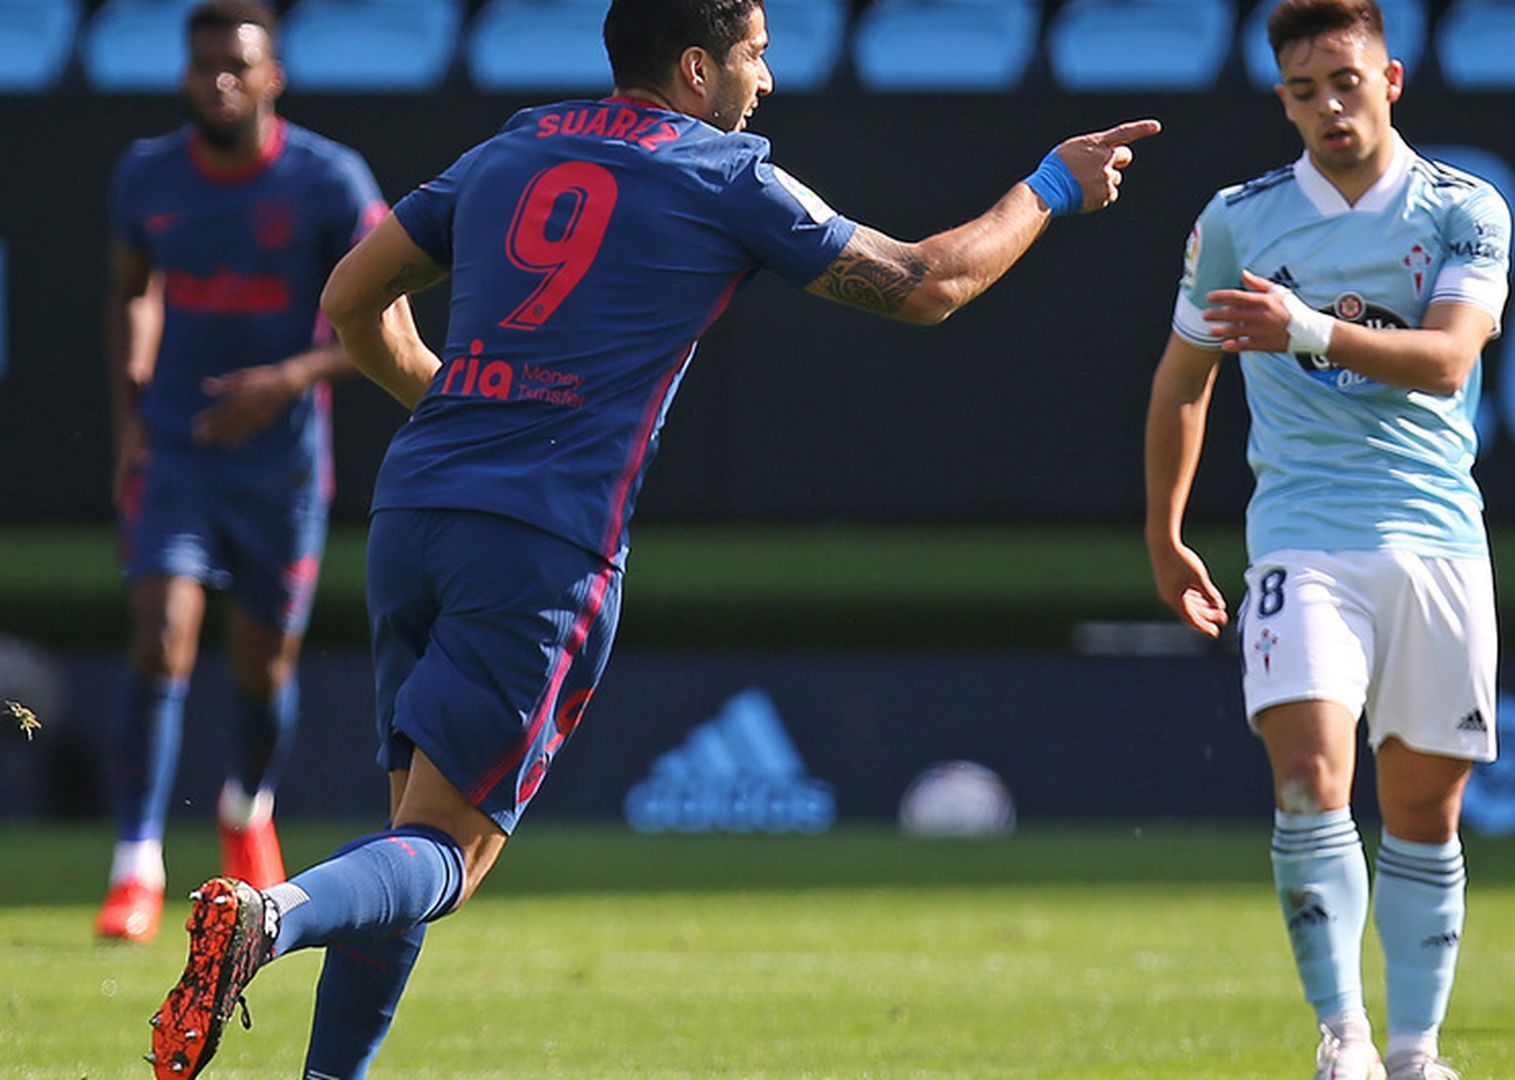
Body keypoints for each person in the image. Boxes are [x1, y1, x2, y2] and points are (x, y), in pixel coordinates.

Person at [144, 0, 1157, 1075]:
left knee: (411, 831)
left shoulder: (516, 144)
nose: (765, 82)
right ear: (694, 66)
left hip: (416, 508)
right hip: (543, 538)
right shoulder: (723, 174)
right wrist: (1051, 186)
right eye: (755, 57)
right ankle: (269, 919)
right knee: (446, 850)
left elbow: (352, 295)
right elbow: (928, 284)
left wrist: (450, 397)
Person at [1143, 1, 1511, 1077]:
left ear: (1390, 79)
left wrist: (1305, 328)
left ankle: (1415, 1050)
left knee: (1425, 812)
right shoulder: (1238, 223)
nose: (1328, 108)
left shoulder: (1462, 209)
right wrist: (1166, 536)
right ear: (1282, 99)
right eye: (1304, 91)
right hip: (1303, 538)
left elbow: (1447, 361)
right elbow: (1181, 385)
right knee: (1308, 775)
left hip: (1439, 541)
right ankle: (1342, 1040)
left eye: (1345, 81)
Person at [98, 0, 386, 944]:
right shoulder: (147, 175)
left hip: (282, 465)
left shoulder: (328, 180)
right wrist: (133, 423)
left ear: (272, 78)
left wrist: (285, 380)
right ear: (185, 74)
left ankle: (246, 807)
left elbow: (385, 324)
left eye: (237, 64)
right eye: (203, 64)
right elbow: (132, 293)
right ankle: (136, 863)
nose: (218, 80)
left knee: (264, 672)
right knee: (160, 636)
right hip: (181, 448)